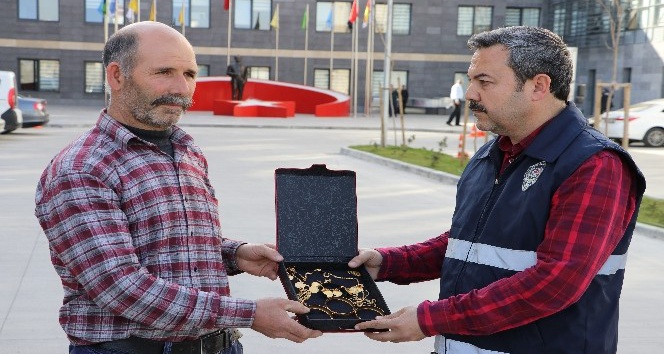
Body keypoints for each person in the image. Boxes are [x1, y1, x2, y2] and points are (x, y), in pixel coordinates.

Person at [352, 26, 645, 354]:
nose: (469, 94)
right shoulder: (495, 153)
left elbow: (555, 284)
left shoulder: (594, 166)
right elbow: (471, 243)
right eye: (470, 80)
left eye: (484, 82)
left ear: (538, 86)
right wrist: (389, 263)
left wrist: (429, 319)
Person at [34, 22, 321, 354]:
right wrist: (251, 314)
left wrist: (235, 254)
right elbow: (121, 288)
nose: (181, 88)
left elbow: (169, 241)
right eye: (164, 72)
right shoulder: (81, 169)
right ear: (117, 76)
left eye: (189, 74)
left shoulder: (186, 149)